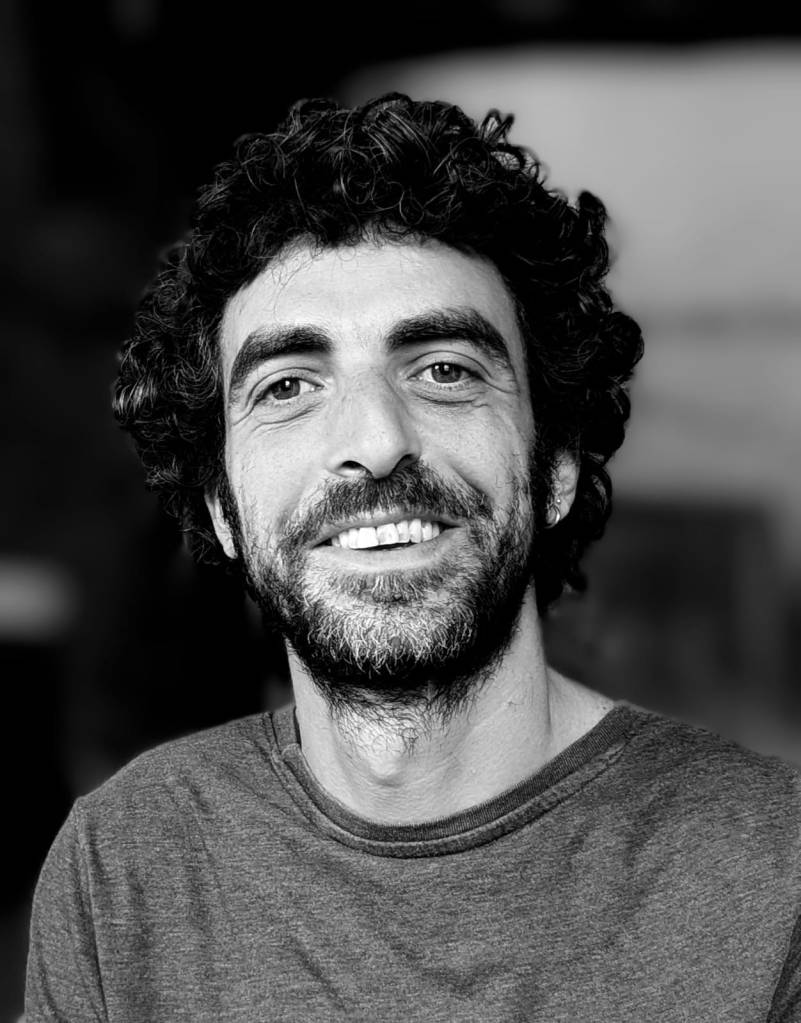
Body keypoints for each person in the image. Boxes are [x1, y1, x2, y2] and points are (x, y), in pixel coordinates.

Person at [26, 93, 801, 1022]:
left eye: (443, 370)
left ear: (554, 468)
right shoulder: (124, 863)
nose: (376, 440)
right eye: (288, 386)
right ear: (221, 509)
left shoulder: (774, 867)